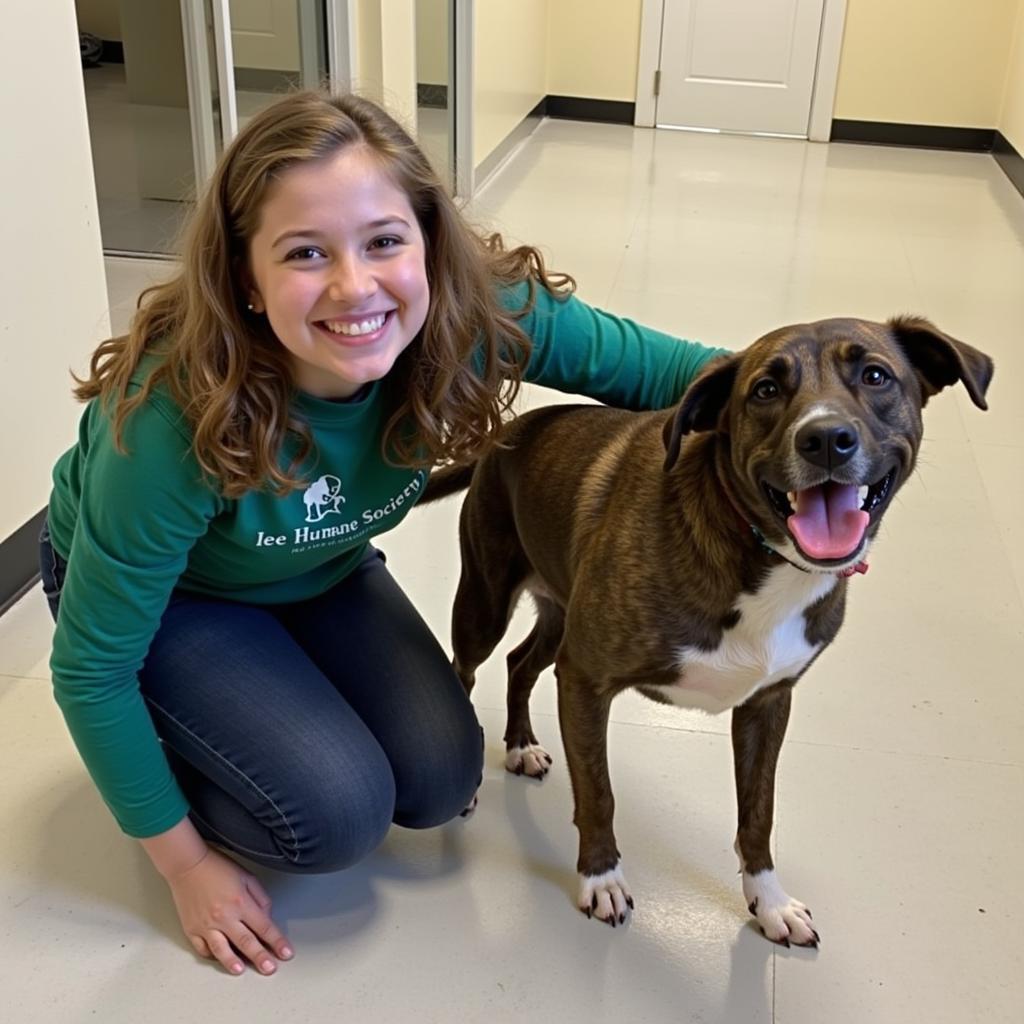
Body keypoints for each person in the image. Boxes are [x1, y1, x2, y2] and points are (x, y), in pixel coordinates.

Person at [40, 90, 727, 978]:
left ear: (432, 244)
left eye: (384, 240)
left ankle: (267, 694)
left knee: (443, 777)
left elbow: (681, 371)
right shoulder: (172, 421)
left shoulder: (477, 312)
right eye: (304, 253)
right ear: (245, 277)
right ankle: (180, 753)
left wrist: (812, 469)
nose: (355, 285)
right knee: (335, 818)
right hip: (178, 599)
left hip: (319, 568)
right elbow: (91, 671)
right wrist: (187, 865)